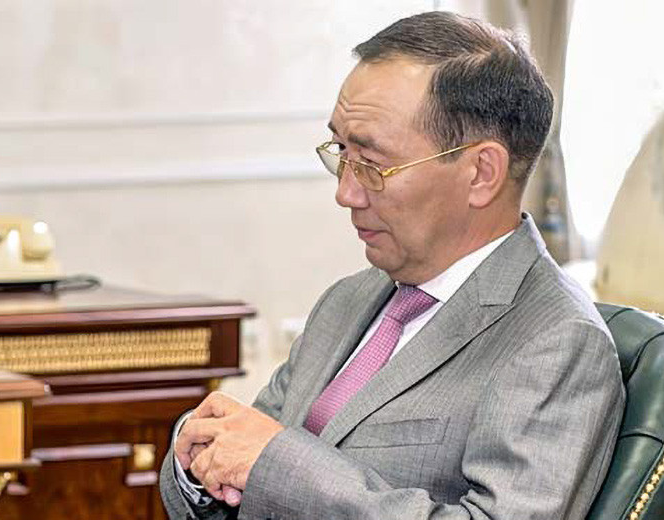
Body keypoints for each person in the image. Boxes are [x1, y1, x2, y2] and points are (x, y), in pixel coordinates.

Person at [160, 11, 625, 520]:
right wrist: (199, 460)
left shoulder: (556, 341)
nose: (345, 192)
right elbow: (248, 467)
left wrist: (275, 465)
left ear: (481, 172)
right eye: (341, 152)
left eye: (372, 163)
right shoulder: (348, 299)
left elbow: (274, 466)